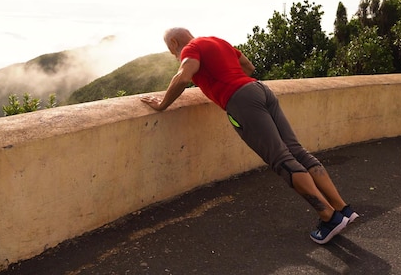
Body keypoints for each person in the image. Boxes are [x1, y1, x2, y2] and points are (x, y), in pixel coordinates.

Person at [140, 27, 358, 244]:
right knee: (297, 152)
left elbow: (182, 78)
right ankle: (342, 208)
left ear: (174, 44)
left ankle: (328, 217)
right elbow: (249, 67)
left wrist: (161, 105)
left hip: (241, 101)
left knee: (282, 160)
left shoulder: (190, 48)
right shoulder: (216, 41)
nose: (173, 55)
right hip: (258, 89)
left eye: (171, 50)